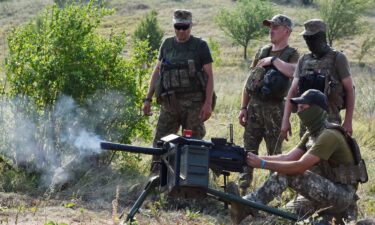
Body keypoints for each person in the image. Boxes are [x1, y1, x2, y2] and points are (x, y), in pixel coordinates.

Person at [230, 89, 363, 225]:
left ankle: (247, 204)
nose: (298, 112)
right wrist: (252, 158)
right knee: (279, 219)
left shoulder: (329, 135)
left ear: (315, 110)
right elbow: (287, 157)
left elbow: (299, 167)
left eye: (302, 108)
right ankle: (245, 208)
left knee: (289, 173)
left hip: (341, 197)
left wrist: (262, 164)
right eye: (298, 108)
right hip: (321, 192)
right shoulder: (312, 133)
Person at [142, 9, 214, 172]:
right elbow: (157, 72)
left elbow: (209, 76)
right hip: (169, 104)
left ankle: (192, 182)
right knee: (161, 143)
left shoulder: (200, 46)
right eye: (178, 26)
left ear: (191, 25)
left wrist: (208, 103)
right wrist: (147, 99)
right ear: (174, 25)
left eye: (185, 27)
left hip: (194, 105)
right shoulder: (167, 44)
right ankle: (156, 180)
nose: (181, 31)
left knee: (193, 144)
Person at [237, 14, 299, 195]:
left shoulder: (292, 54)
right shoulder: (262, 51)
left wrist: (274, 61)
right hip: (254, 108)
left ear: (287, 31)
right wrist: (243, 108)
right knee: (248, 149)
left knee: (274, 153)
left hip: (275, 109)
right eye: (270, 27)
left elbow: (295, 72)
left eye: (275, 27)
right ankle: (242, 191)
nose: (271, 30)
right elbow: (249, 82)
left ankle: (271, 195)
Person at [281, 19, 355, 140]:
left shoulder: (338, 58)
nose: (309, 42)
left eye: (313, 38)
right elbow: (293, 91)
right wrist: (285, 120)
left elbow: (350, 90)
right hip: (306, 124)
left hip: (330, 122)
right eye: (306, 38)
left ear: (322, 37)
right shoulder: (303, 60)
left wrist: (348, 121)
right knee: (305, 156)